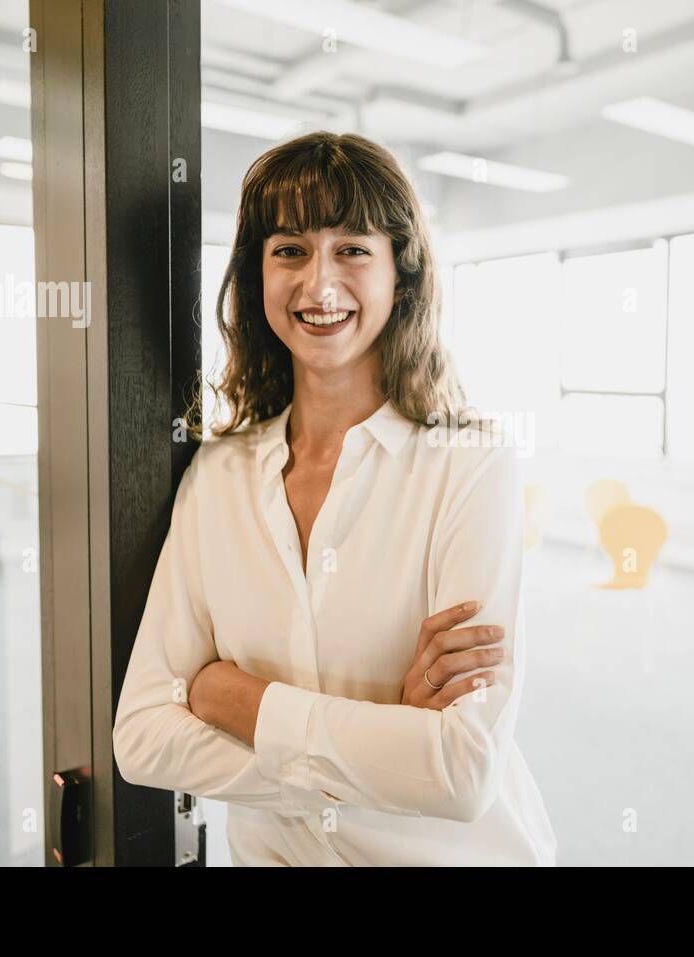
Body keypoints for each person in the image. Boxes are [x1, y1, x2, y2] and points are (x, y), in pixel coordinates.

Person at [112, 130, 557, 866]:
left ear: (400, 277)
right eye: (290, 249)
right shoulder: (218, 477)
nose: (319, 285)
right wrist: (382, 745)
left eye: (352, 249)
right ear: (257, 273)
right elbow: (143, 738)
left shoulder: (470, 464)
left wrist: (237, 702)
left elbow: (461, 770)